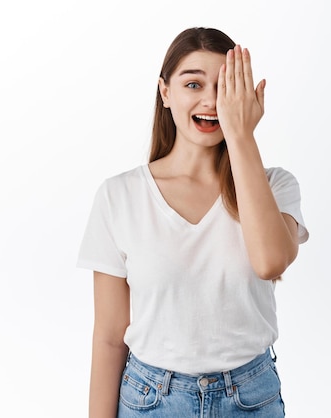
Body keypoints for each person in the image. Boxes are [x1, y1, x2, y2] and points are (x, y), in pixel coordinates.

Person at [77, 27, 309, 418]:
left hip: (250, 399)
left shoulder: (275, 185)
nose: (210, 100)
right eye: (193, 84)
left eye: (224, 87)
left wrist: (241, 136)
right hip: (151, 400)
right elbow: (109, 339)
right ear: (165, 93)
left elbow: (270, 261)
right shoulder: (120, 196)